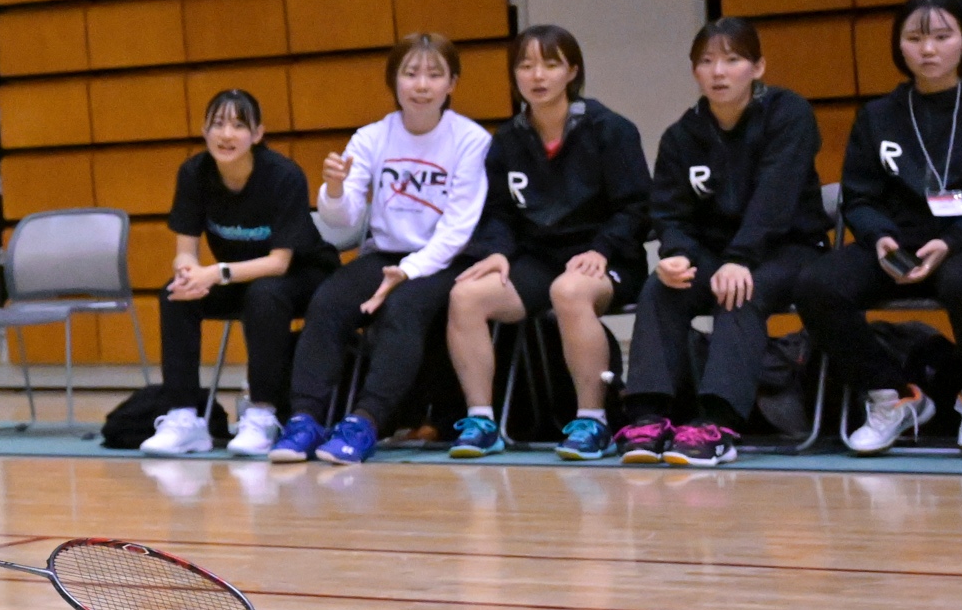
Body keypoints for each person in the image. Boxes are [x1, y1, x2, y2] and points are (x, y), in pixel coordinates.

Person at [796, 0, 962, 454]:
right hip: (897, 242)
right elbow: (859, 195)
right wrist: (879, 237)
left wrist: (953, 240)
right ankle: (893, 396)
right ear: (899, 45)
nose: (928, 49)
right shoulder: (878, 116)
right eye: (915, 38)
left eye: (941, 37)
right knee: (816, 284)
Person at [269, 32, 492, 464]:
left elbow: (457, 229)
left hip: (442, 260)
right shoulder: (371, 137)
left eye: (434, 75)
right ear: (394, 81)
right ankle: (304, 420)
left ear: (452, 83)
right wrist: (334, 190)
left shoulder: (471, 140)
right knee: (329, 300)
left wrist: (408, 271)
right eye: (411, 74)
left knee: (403, 308)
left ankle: (365, 421)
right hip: (385, 254)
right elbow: (343, 219)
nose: (421, 85)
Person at [615, 17, 828, 466]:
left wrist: (741, 258)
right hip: (714, 254)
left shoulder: (788, 114)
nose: (718, 72)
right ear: (694, 71)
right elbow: (669, 213)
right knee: (660, 289)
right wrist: (676, 254)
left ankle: (718, 423)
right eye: (707, 61)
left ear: (758, 67)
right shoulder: (681, 136)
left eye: (732, 60)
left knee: (739, 292)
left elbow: (775, 198)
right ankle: (648, 415)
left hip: (788, 248)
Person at [443, 25, 651, 460]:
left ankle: (592, 421)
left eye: (550, 64)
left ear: (572, 71)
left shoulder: (611, 130)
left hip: (607, 257)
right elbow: (498, 211)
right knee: (466, 296)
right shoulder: (507, 141)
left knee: (569, 291)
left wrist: (603, 249)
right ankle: (482, 421)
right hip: (538, 259)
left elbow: (636, 207)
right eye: (526, 65)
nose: (537, 75)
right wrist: (497, 252)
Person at [139, 88, 337, 456]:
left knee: (265, 294)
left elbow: (278, 263)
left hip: (303, 276)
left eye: (238, 125)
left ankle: (262, 414)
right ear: (204, 131)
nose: (226, 134)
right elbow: (185, 251)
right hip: (238, 277)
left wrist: (214, 273)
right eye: (217, 124)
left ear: (257, 134)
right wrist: (187, 273)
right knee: (175, 294)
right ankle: (183, 417)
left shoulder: (283, 175)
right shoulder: (194, 173)